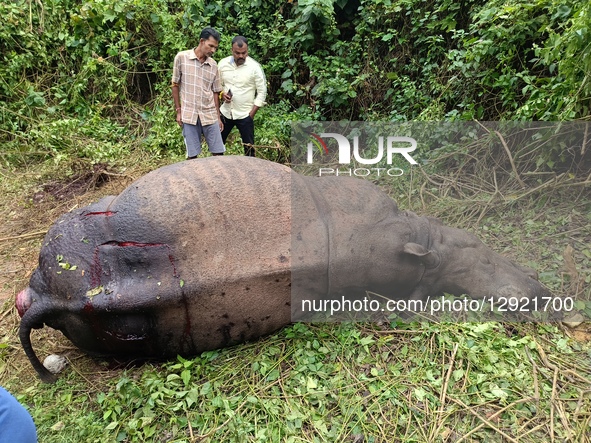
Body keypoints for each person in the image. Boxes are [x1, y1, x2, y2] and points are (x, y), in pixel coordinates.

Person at [172, 27, 225, 159]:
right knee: (192, 155)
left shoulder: (213, 65)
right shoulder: (182, 58)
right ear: (202, 41)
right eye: (211, 46)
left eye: (215, 48)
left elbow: (215, 92)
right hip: (189, 114)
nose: (213, 50)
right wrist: (179, 111)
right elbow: (175, 84)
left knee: (218, 153)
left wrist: (218, 117)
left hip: (209, 114)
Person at [218, 36, 267, 157]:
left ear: (247, 51)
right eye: (237, 53)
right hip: (225, 112)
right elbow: (217, 85)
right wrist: (222, 94)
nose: (240, 56)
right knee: (217, 146)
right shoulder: (223, 64)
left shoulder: (255, 67)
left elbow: (262, 92)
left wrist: (251, 114)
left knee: (249, 149)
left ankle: (251, 173)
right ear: (231, 50)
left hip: (245, 114)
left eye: (243, 53)